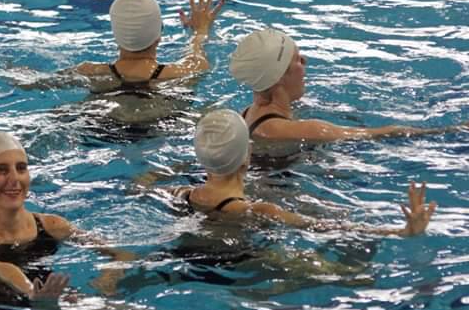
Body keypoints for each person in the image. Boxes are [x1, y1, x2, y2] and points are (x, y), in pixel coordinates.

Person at [0, 131, 133, 307]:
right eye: (1, 170)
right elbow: (0, 268)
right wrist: (31, 292)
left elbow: (121, 254)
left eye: (21, 168)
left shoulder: (52, 226)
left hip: (43, 296)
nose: (14, 179)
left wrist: (108, 280)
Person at [172, 109, 436, 237]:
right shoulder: (261, 210)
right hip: (241, 267)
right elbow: (326, 227)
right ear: (247, 156)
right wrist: (401, 232)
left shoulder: (180, 194)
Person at [229, 28, 461, 143]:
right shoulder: (305, 130)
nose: (305, 62)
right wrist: (451, 130)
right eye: (297, 60)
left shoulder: (246, 116)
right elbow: (378, 134)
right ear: (279, 76)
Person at [39, 0, 224, 93]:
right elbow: (196, 50)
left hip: (98, 123)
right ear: (158, 35)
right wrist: (199, 31)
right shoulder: (185, 71)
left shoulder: (88, 71)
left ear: (116, 35)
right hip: (162, 122)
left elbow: (32, 82)